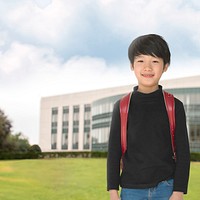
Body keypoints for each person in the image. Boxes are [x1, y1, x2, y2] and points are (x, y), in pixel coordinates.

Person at [107, 34, 190, 200]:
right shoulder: (122, 106)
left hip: (166, 188)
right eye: (140, 61)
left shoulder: (174, 106)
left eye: (155, 61)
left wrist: (178, 192)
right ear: (132, 65)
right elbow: (114, 152)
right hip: (131, 190)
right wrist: (113, 192)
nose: (147, 67)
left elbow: (183, 152)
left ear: (165, 66)